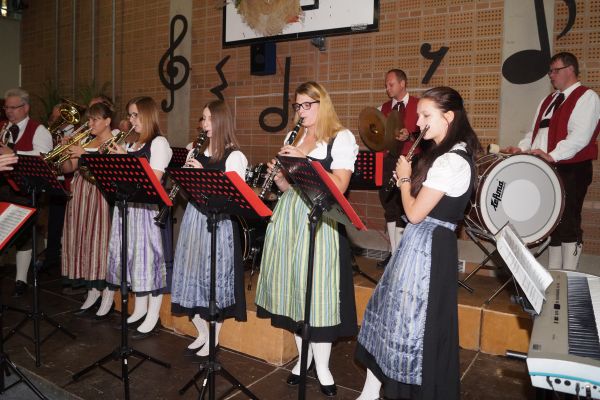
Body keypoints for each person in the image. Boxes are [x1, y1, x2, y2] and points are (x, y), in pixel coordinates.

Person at [355, 87, 481, 400]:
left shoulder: (451, 161)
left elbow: (413, 213)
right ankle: (372, 390)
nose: (418, 123)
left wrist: (404, 178)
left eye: (426, 116)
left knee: (414, 323)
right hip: (424, 243)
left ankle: (414, 388)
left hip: (428, 247)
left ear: (448, 116)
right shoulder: (444, 154)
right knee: (392, 313)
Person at [255, 81, 359, 397]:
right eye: (298, 106)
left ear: (321, 104)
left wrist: (304, 158)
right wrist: (279, 178)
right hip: (290, 216)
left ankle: (323, 366)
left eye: (307, 105)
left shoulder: (340, 137)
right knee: (295, 292)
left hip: (320, 218)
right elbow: (290, 187)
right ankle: (303, 360)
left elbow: (339, 185)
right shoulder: (294, 136)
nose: (301, 111)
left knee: (319, 294)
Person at [502, 52, 600, 270]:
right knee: (552, 223)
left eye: (555, 70)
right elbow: (535, 132)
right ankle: (555, 275)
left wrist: (553, 155)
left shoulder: (587, 97)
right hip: (546, 169)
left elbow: (580, 137)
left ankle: (568, 276)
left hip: (572, 168)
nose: (551, 75)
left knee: (568, 220)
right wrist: (522, 148)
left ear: (570, 70)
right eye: (550, 71)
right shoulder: (548, 100)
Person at [171, 100, 247, 357]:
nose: (204, 124)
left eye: (209, 119)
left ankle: (214, 338)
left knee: (213, 280)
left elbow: (233, 199)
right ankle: (203, 333)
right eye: (203, 118)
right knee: (192, 276)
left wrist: (202, 175)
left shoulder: (234, 156)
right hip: (194, 219)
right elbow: (187, 193)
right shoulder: (194, 151)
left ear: (221, 121)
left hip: (219, 223)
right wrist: (186, 178)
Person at [105, 96, 173, 339]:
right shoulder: (134, 144)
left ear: (146, 115)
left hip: (147, 211)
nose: (131, 120)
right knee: (135, 260)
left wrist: (125, 159)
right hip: (130, 209)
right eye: (130, 115)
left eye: (135, 115)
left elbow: (154, 180)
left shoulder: (159, 143)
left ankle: (153, 316)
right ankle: (140, 309)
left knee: (150, 262)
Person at [59, 101, 116, 319]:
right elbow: (69, 169)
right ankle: (92, 293)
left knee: (99, 245)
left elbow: (108, 174)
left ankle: (108, 296)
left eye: (95, 119)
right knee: (82, 243)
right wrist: (65, 152)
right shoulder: (85, 140)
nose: (90, 123)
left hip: (100, 196)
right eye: (89, 119)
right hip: (80, 195)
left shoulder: (114, 142)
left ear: (107, 121)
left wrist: (84, 153)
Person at [0, 88, 53, 297]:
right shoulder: (4, 128)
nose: (9, 111)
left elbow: (45, 156)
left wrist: (14, 153)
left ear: (26, 108)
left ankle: (20, 279)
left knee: (24, 235)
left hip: (25, 189)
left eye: (14, 107)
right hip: (3, 186)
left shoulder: (39, 130)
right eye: (7, 107)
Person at [377, 69, 419, 267]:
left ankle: (404, 255)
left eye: (391, 84)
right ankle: (394, 254)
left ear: (403, 83)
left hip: (413, 160)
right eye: (386, 85)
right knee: (390, 206)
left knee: (406, 206)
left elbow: (426, 136)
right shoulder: (383, 108)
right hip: (389, 161)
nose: (387, 88)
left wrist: (409, 135)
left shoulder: (420, 105)